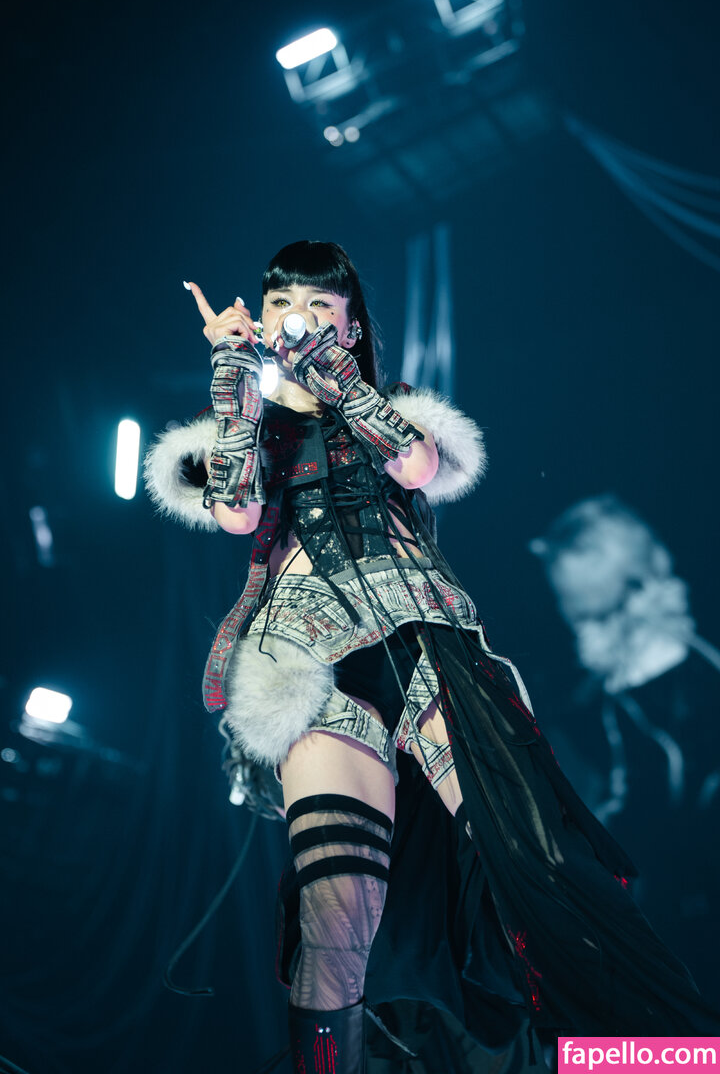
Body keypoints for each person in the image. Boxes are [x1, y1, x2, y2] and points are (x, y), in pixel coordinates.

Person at [144, 241, 720, 1074]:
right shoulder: (250, 422)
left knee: (538, 862)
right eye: (279, 305)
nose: (295, 318)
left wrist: (334, 379)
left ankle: (657, 1056)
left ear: (350, 326)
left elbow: (417, 465)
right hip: (307, 661)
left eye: (318, 305)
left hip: (427, 643)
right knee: (337, 910)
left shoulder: (390, 404)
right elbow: (235, 513)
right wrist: (233, 374)